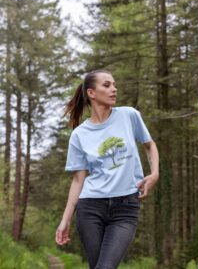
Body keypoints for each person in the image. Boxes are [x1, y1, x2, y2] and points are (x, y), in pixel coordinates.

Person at [55, 69, 159, 269]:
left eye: (114, 84)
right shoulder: (79, 135)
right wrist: (65, 220)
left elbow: (150, 145)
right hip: (90, 208)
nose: (114, 89)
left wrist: (154, 174)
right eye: (107, 85)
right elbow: (78, 180)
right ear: (91, 93)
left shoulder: (129, 115)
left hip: (125, 207)